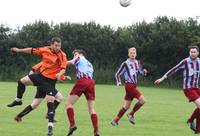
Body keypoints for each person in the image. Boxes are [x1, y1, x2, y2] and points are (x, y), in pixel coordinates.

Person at [8, 37, 67, 136]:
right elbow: (31, 50)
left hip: (49, 82)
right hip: (40, 77)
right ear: (51, 45)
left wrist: (61, 74)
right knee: (21, 81)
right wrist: (18, 50)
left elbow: (63, 68)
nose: (58, 48)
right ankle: (18, 100)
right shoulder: (45, 50)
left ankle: (50, 127)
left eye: (59, 46)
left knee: (47, 103)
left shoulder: (62, 55)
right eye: (56, 45)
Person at [154, 45, 200, 134]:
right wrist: (162, 78)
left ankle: (193, 124)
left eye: (194, 52)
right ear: (189, 53)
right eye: (191, 52)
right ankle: (191, 121)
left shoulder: (199, 62)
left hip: (196, 88)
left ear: (198, 53)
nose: (193, 54)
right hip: (188, 89)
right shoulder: (185, 62)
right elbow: (173, 69)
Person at [65, 49, 100, 136]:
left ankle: (72, 124)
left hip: (82, 81)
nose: (74, 56)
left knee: (69, 104)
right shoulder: (89, 64)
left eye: (75, 54)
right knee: (91, 108)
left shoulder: (79, 58)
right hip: (91, 82)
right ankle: (96, 131)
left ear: (80, 54)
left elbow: (70, 62)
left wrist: (58, 63)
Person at [111, 47, 147, 126]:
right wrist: (119, 82)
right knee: (143, 100)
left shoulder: (137, 62)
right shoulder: (125, 63)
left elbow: (141, 72)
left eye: (134, 53)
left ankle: (115, 120)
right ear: (128, 54)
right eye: (131, 53)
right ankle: (131, 114)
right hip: (129, 85)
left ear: (136, 54)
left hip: (133, 86)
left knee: (126, 106)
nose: (132, 54)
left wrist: (144, 72)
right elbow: (117, 74)